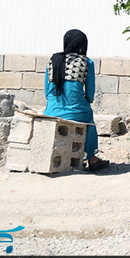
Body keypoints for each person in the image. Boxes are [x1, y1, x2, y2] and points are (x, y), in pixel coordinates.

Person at [43, 29, 109, 171]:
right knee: (88, 117)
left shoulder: (52, 60)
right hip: (77, 112)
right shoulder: (87, 62)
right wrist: (84, 101)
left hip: (51, 111)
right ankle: (92, 158)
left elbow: (47, 93)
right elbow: (90, 94)